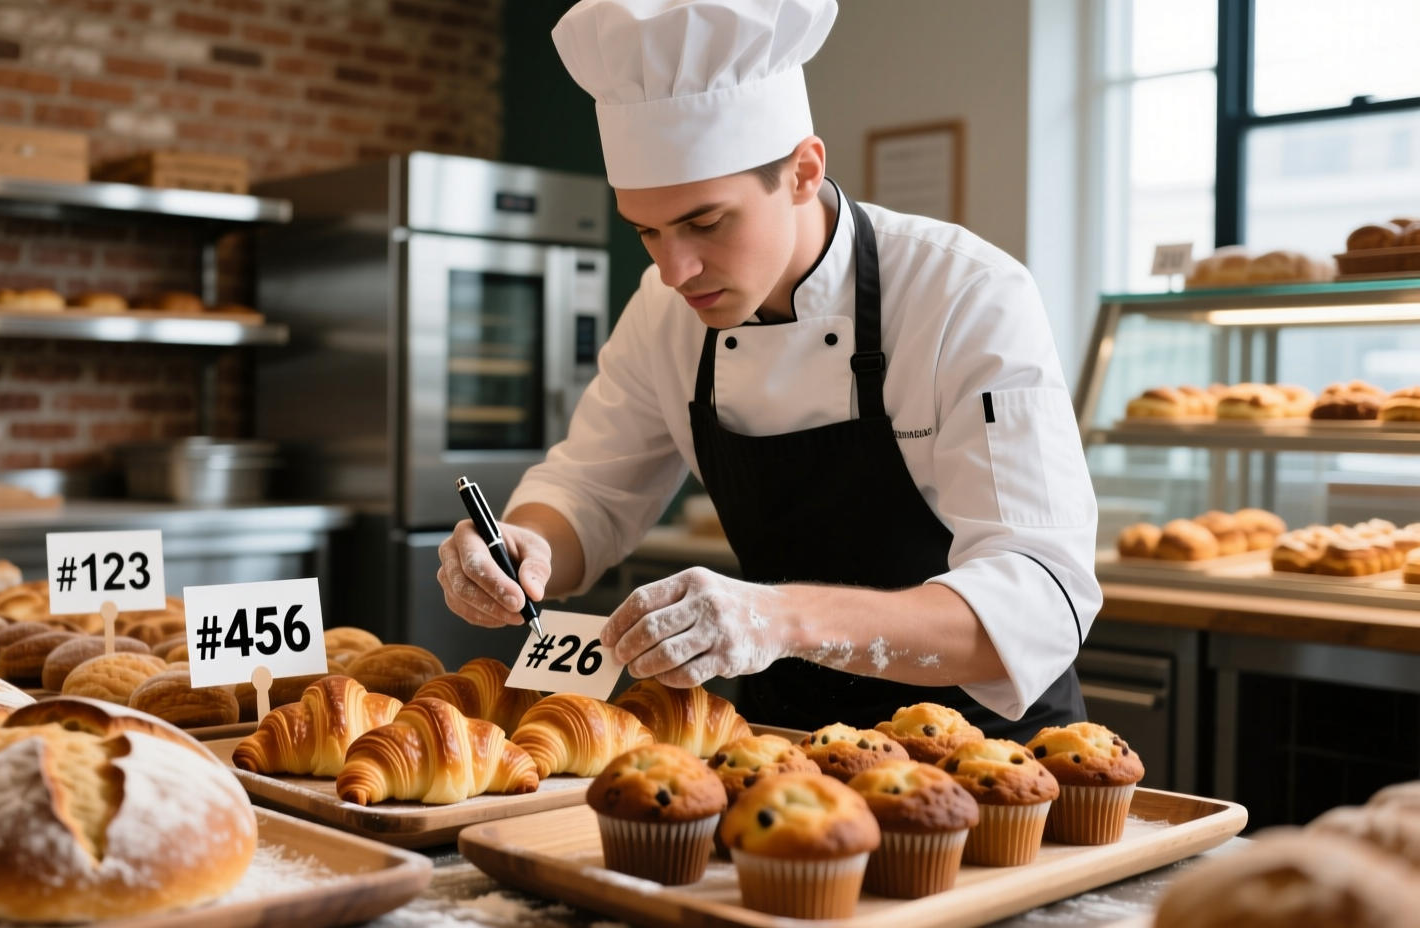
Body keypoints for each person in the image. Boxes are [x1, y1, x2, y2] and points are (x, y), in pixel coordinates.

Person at [436, 0, 1099, 739]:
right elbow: (591, 489)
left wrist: (777, 617)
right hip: (784, 752)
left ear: (803, 172)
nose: (675, 268)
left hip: (986, 755)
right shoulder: (662, 309)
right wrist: (523, 547)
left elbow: (1041, 598)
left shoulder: (965, 294)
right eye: (647, 231)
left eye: (706, 222)